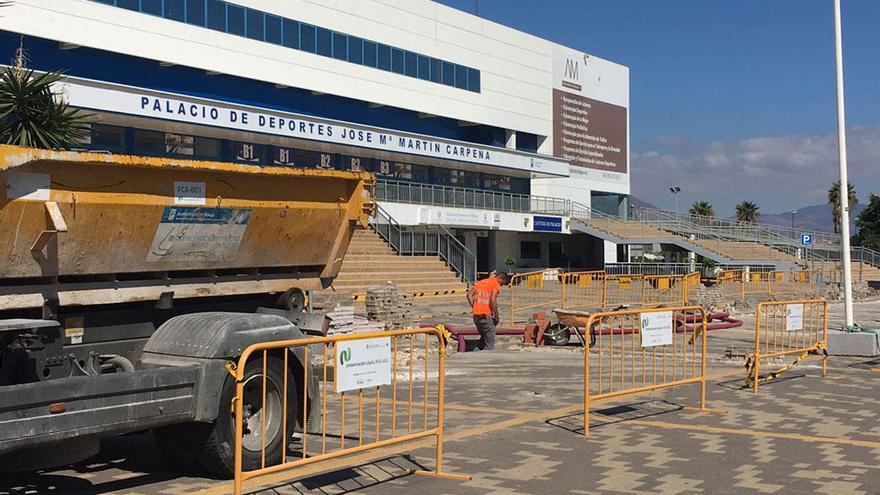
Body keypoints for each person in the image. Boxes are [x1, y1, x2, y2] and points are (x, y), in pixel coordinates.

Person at [467, 271, 507, 351]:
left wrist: (474, 306)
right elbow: (492, 300)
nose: (501, 286)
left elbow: (469, 295)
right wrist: (496, 316)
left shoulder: (481, 282)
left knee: (484, 339)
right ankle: (485, 357)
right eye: (502, 283)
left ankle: (474, 354)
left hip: (476, 317)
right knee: (489, 342)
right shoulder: (495, 284)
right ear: (500, 279)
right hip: (485, 316)